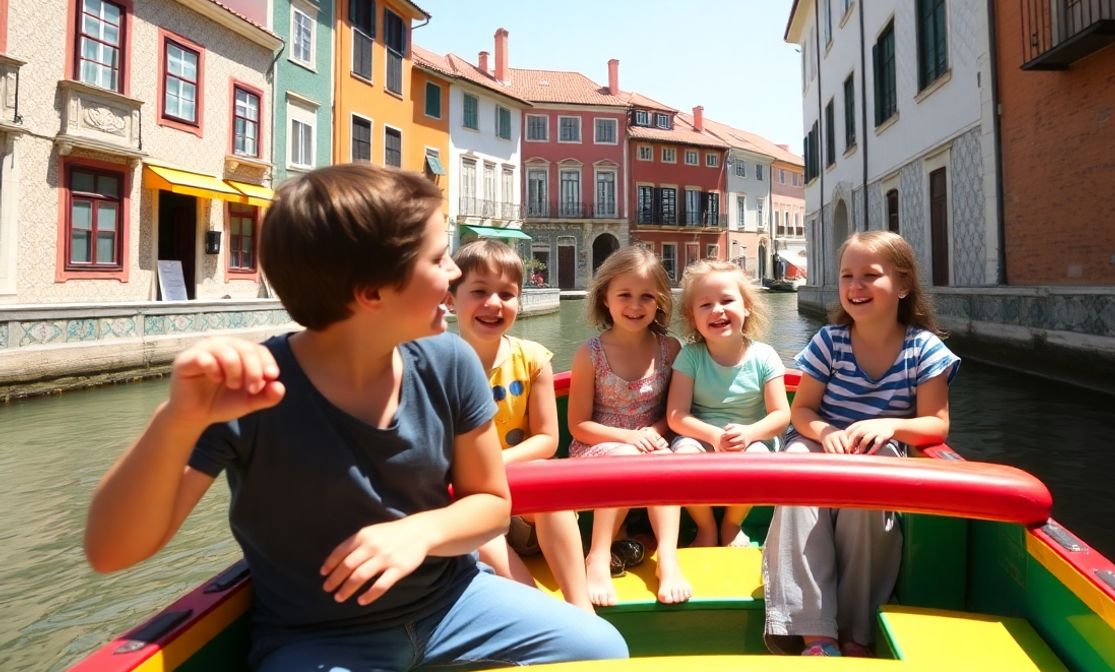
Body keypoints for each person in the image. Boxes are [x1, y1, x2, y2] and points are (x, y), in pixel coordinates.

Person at [83, 165, 626, 671]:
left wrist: (420, 532)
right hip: (319, 638)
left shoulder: (450, 362)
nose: (455, 272)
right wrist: (177, 419)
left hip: (455, 602)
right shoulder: (249, 391)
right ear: (371, 293)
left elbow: (490, 505)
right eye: (439, 259)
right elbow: (112, 552)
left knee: (600, 649)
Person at [762, 231, 960, 658]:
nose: (855, 286)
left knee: (869, 485)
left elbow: (937, 425)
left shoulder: (924, 349)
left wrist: (889, 426)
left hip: (876, 449)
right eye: (847, 275)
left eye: (870, 275)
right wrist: (826, 433)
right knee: (797, 472)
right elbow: (802, 411)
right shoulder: (829, 342)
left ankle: (855, 631)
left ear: (903, 285)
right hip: (818, 440)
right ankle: (814, 634)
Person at [450, 238, 592, 613]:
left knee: (550, 486)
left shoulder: (532, 359)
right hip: (477, 513)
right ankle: (538, 609)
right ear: (450, 299)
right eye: (479, 292)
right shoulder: (438, 366)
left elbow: (547, 440)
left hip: (527, 505)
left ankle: (581, 607)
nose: (493, 303)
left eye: (506, 294)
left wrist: (493, 464)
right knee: (474, 519)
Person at [566, 246, 691, 608]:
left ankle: (667, 557)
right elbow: (578, 425)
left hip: (651, 445)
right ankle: (597, 555)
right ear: (605, 298)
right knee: (623, 457)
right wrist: (628, 437)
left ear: (660, 301)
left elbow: (673, 412)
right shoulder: (590, 353)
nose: (635, 306)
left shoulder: (670, 349)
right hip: (598, 446)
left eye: (646, 296)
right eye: (624, 295)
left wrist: (653, 432)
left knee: (664, 461)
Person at [665, 260, 790, 547]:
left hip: (752, 437)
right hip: (701, 435)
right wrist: (712, 435)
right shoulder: (690, 357)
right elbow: (676, 415)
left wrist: (749, 433)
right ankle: (706, 526)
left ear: (747, 307)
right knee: (682, 459)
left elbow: (780, 415)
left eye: (726, 301)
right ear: (692, 316)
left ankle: (732, 523)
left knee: (758, 459)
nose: (717, 310)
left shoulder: (765, 356)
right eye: (705, 305)